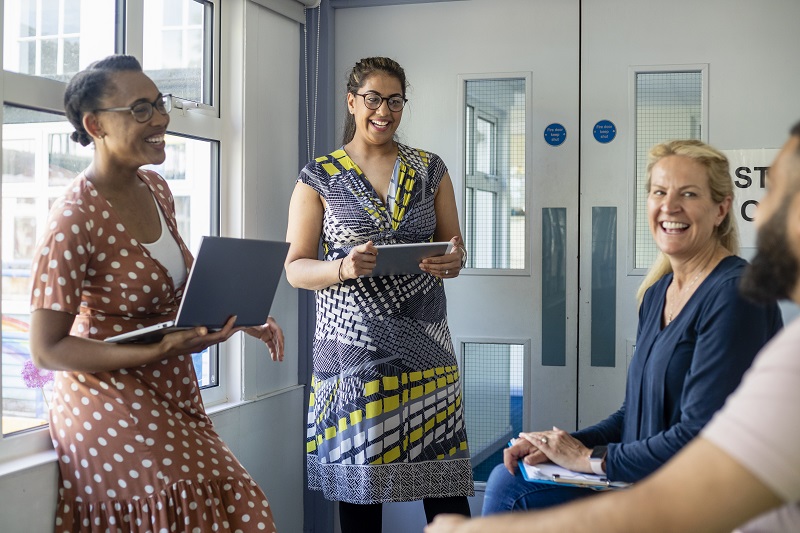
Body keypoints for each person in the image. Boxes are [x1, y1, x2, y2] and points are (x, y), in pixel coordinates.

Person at [426, 122, 800, 533]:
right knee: (510, 476)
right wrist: (562, 444)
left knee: (509, 490)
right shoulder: (658, 292)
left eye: (688, 194)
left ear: (721, 209)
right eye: (659, 192)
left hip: (676, 489)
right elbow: (634, 413)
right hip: (637, 473)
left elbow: (698, 436)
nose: (669, 206)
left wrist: (587, 459)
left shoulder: (733, 294)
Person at [29, 54, 284, 532]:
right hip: (106, 395)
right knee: (180, 508)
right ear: (95, 124)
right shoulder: (72, 218)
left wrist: (242, 314)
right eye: (141, 109)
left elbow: (174, 293)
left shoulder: (156, 188)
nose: (161, 118)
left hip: (169, 384)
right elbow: (46, 350)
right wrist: (162, 347)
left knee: (240, 505)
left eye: (160, 103)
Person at [285, 56, 473, 532]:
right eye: (373, 99)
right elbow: (295, 269)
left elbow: (455, 250)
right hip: (353, 356)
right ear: (352, 102)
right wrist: (341, 267)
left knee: (446, 494)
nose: (383, 111)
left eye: (394, 100)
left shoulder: (430, 169)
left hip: (426, 351)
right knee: (363, 496)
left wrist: (452, 261)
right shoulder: (319, 176)